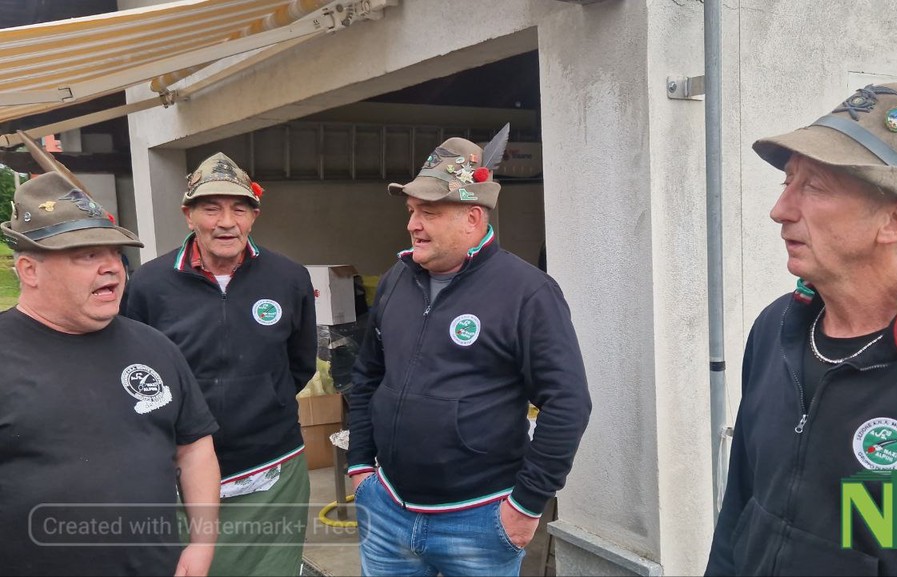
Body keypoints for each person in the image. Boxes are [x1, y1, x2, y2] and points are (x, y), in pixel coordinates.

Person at [706, 83, 897, 575]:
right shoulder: (775, 329)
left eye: (814, 187)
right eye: (787, 182)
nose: (780, 210)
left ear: (895, 220)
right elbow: (738, 513)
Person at [347, 134, 592, 576]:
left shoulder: (527, 292)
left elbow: (568, 403)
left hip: (479, 519)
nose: (413, 225)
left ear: (472, 217)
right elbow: (368, 376)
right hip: (387, 509)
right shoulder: (395, 281)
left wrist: (526, 505)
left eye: (429, 213)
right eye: (412, 211)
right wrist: (361, 467)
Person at [0, 172, 220, 576]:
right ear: (30, 270)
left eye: (115, 254)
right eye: (87, 255)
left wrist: (202, 542)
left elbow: (195, 450)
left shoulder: (155, 346)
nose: (113, 269)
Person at [122, 153, 317, 577]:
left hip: (271, 464)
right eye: (211, 209)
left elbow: (300, 363)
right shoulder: (149, 284)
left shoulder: (289, 278)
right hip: (179, 469)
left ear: (254, 217)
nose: (226, 222)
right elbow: (135, 372)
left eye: (239, 209)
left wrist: (264, 397)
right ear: (188, 215)